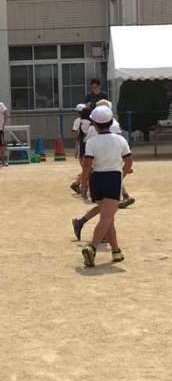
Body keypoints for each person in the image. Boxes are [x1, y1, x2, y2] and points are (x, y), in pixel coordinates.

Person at [80, 106, 133, 268]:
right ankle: (92, 247)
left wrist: (83, 185)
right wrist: (122, 176)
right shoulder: (120, 140)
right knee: (107, 217)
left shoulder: (91, 141)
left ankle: (116, 251)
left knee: (107, 217)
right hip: (113, 178)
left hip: (96, 179)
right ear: (111, 122)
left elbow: (87, 166)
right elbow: (128, 162)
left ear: (94, 124)